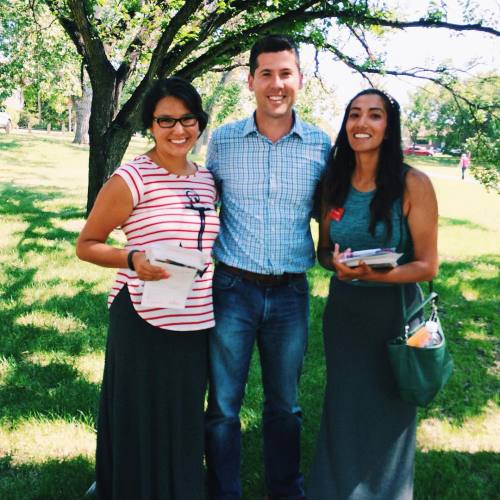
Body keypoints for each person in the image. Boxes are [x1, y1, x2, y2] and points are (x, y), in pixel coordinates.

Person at [76, 77, 219, 500]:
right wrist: (133, 259)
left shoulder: (206, 179)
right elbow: (87, 245)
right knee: (140, 413)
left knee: (183, 414)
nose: (178, 130)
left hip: (195, 318)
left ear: (199, 121)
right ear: (151, 126)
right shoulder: (132, 177)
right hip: (143, 314)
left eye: (187, 119)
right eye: (166, 121)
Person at [205, 35, 331, 500]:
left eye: (285, 73)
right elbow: (196, 200)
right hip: (231, 287)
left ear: (299, 79)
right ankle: (223, 492)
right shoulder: (223, 142)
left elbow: (334, 211)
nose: (276, 84)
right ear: (251, 80)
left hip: (290, 294)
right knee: (222, 405)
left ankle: (286, 490)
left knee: (285, 406)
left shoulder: (320, 145)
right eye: (266, 74)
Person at [308, 89, 438, 500]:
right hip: (346, 313)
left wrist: (374, 275)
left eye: (375, 116)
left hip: (394, 313)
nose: (362, 124)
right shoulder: (334, 184)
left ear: (388, 127)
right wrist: (338, 265)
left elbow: (428, 265)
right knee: (343, 406)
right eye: (354, 115)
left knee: (389, 411)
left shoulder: (413, 184)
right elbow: (324, 251)